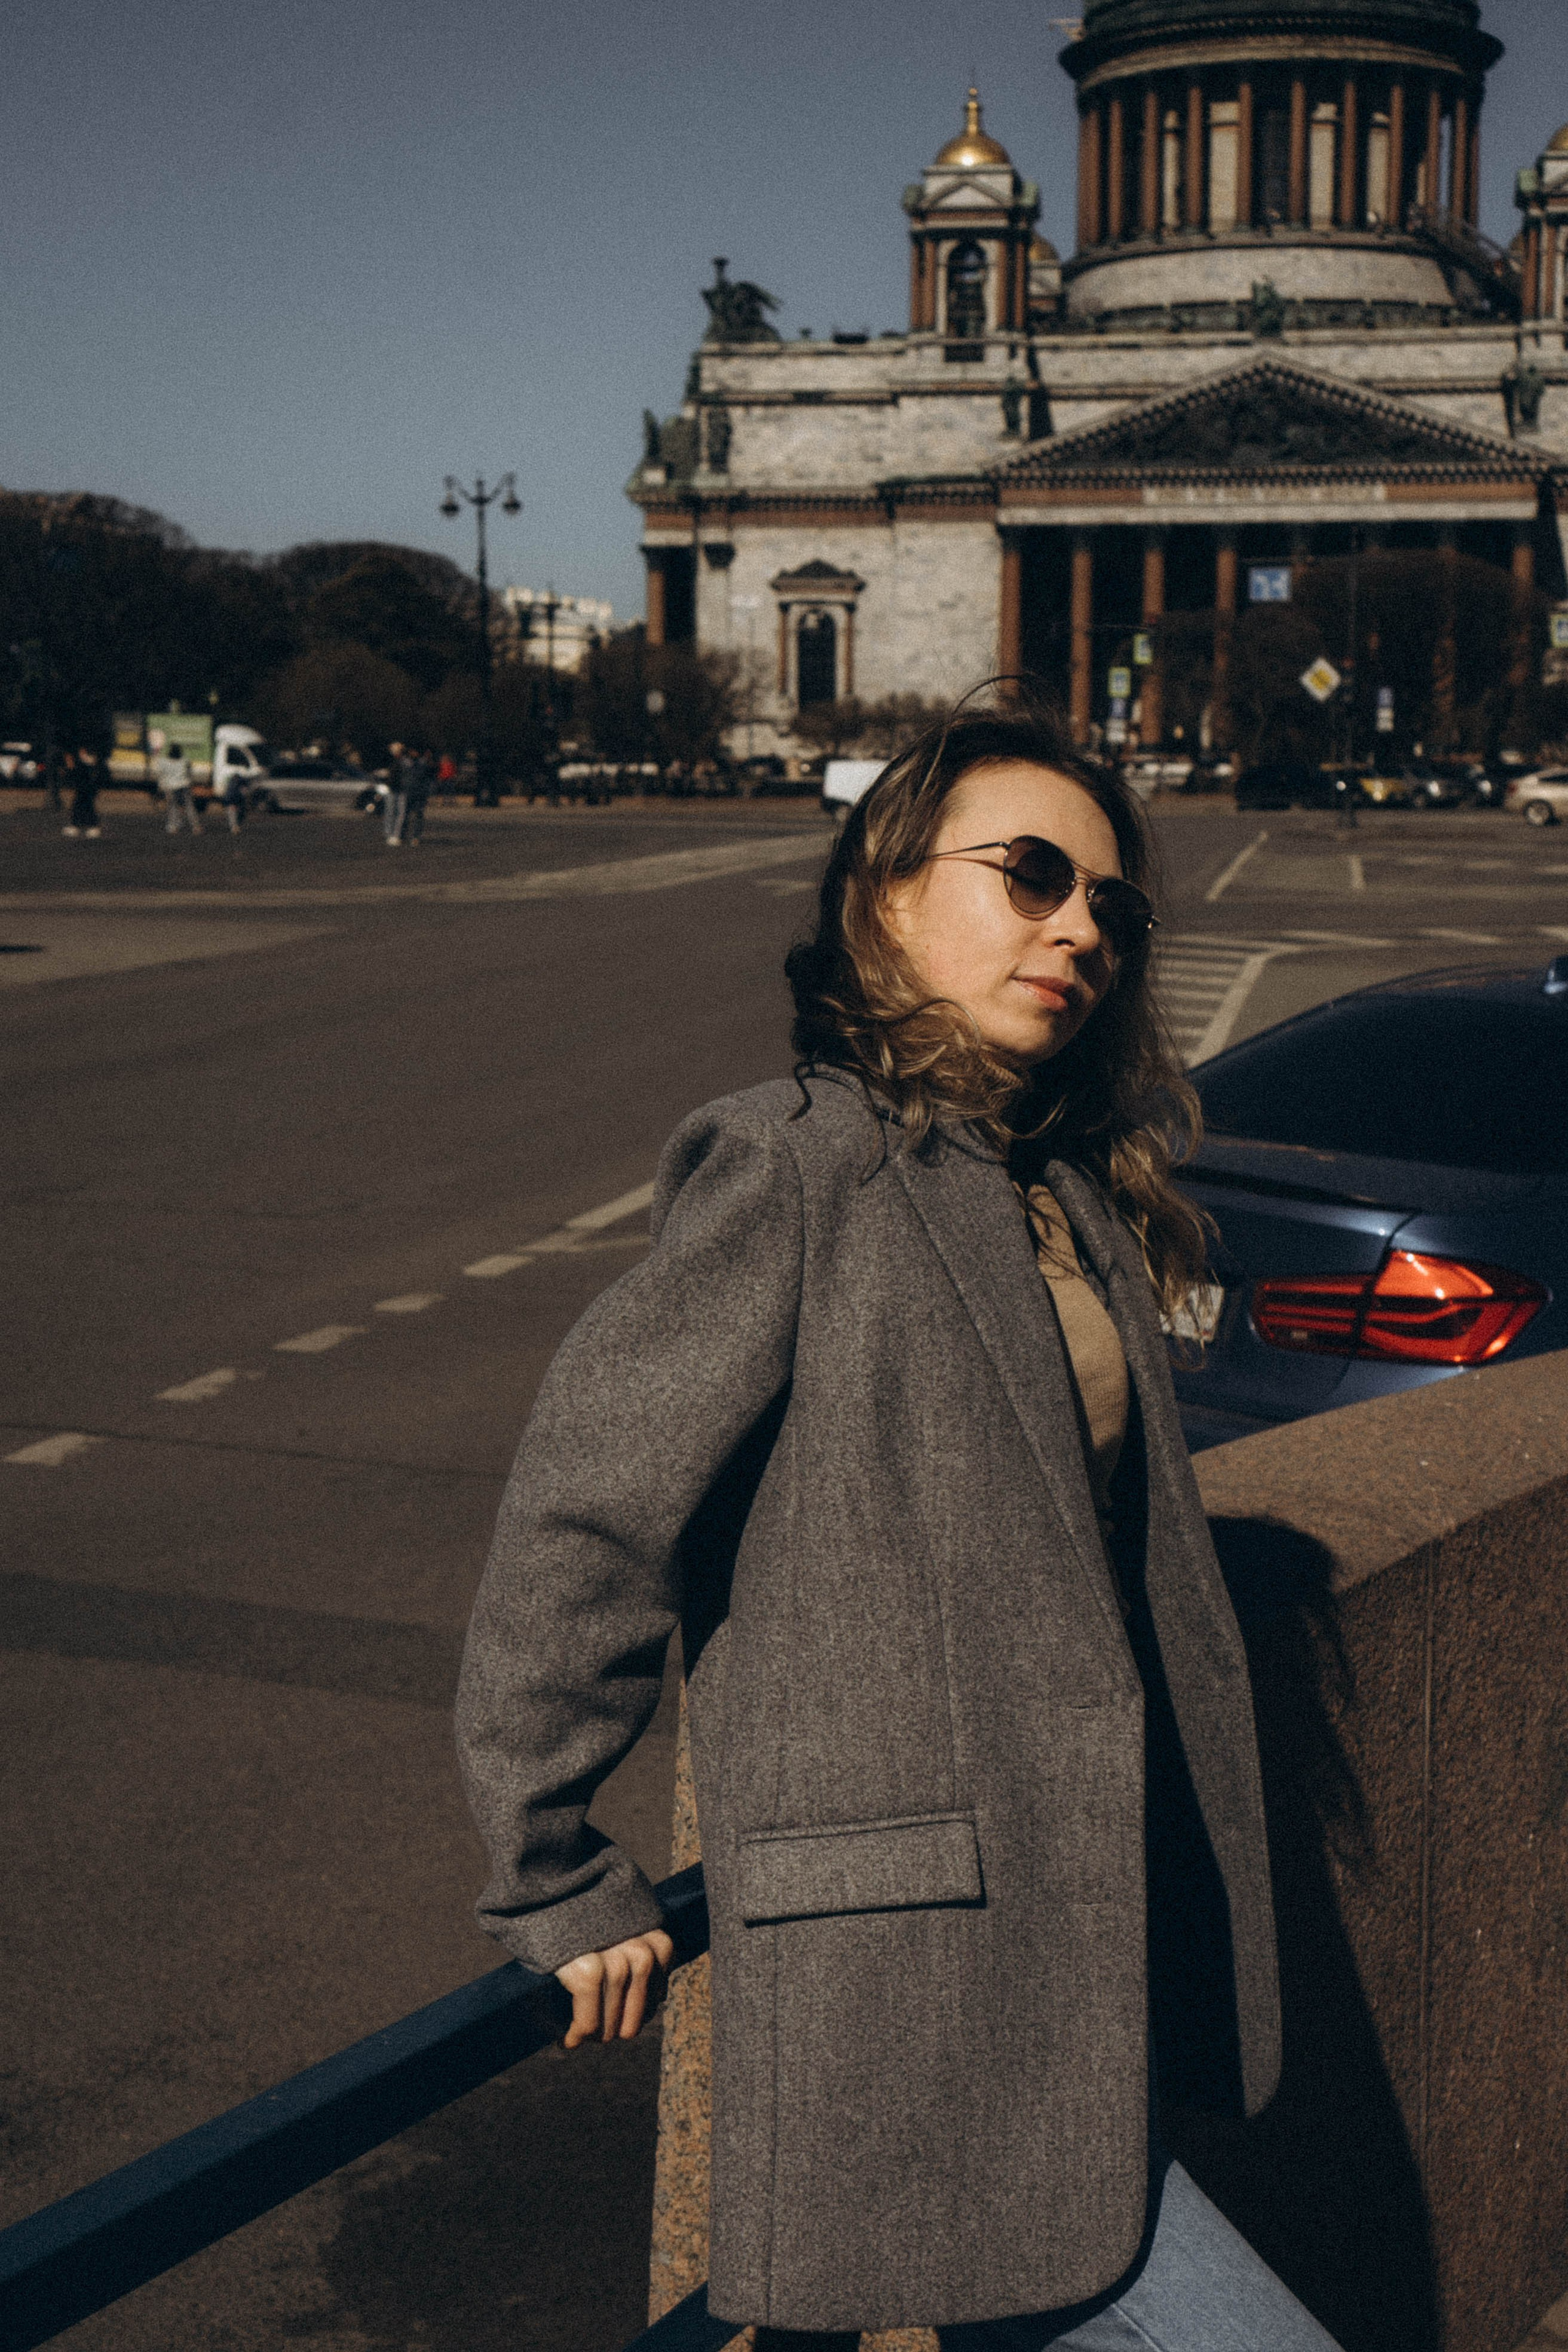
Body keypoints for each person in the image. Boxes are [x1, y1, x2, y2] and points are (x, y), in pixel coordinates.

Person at [456, 696, 1337, 2352]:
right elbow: (584, 1516)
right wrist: (552, 1869)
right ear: (882, 892)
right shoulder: (795, 1165)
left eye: (1109, 905)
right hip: (905, 1959)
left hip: (1082, 1936)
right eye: (1029, 875)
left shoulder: (1059, 1183)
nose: (1079, 929)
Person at [155, 741, 201, 834]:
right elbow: (190, 773)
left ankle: (173, 826)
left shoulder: (163, 761)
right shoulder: (185, 761)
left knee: (173, 807)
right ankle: (196, 827)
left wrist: (161, 787)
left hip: (171, 787)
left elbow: (161, 775)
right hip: (184, 786)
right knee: (189, 807)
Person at [62, 747, 104, 838]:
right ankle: (78, 825)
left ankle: (92, 826)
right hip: (84, 787)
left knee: (85, 805)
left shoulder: (89, 760)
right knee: (80, 805)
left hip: (88, 787)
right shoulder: (84, 761)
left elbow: (92, 775)